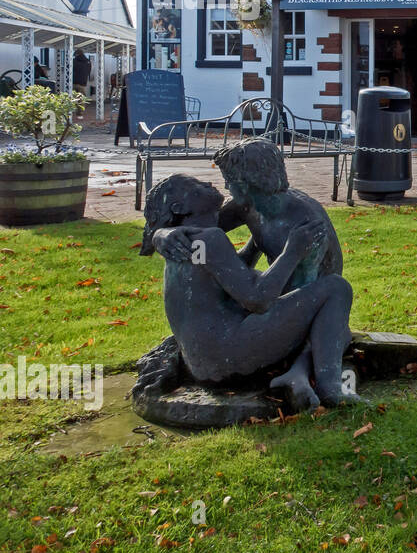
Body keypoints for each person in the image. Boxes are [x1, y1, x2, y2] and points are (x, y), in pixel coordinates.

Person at [142, 175, 354, 410]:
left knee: (335, 330)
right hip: (228, 357)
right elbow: (258, 299)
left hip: (201, 363)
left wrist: (256, 241)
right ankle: (331, 388)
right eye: (198, 186)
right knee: (336, 289)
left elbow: (229, 274)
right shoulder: (209, 239)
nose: (210, 183)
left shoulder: (182, 241)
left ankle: (297, 375)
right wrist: (293, 250)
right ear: (178, 207)